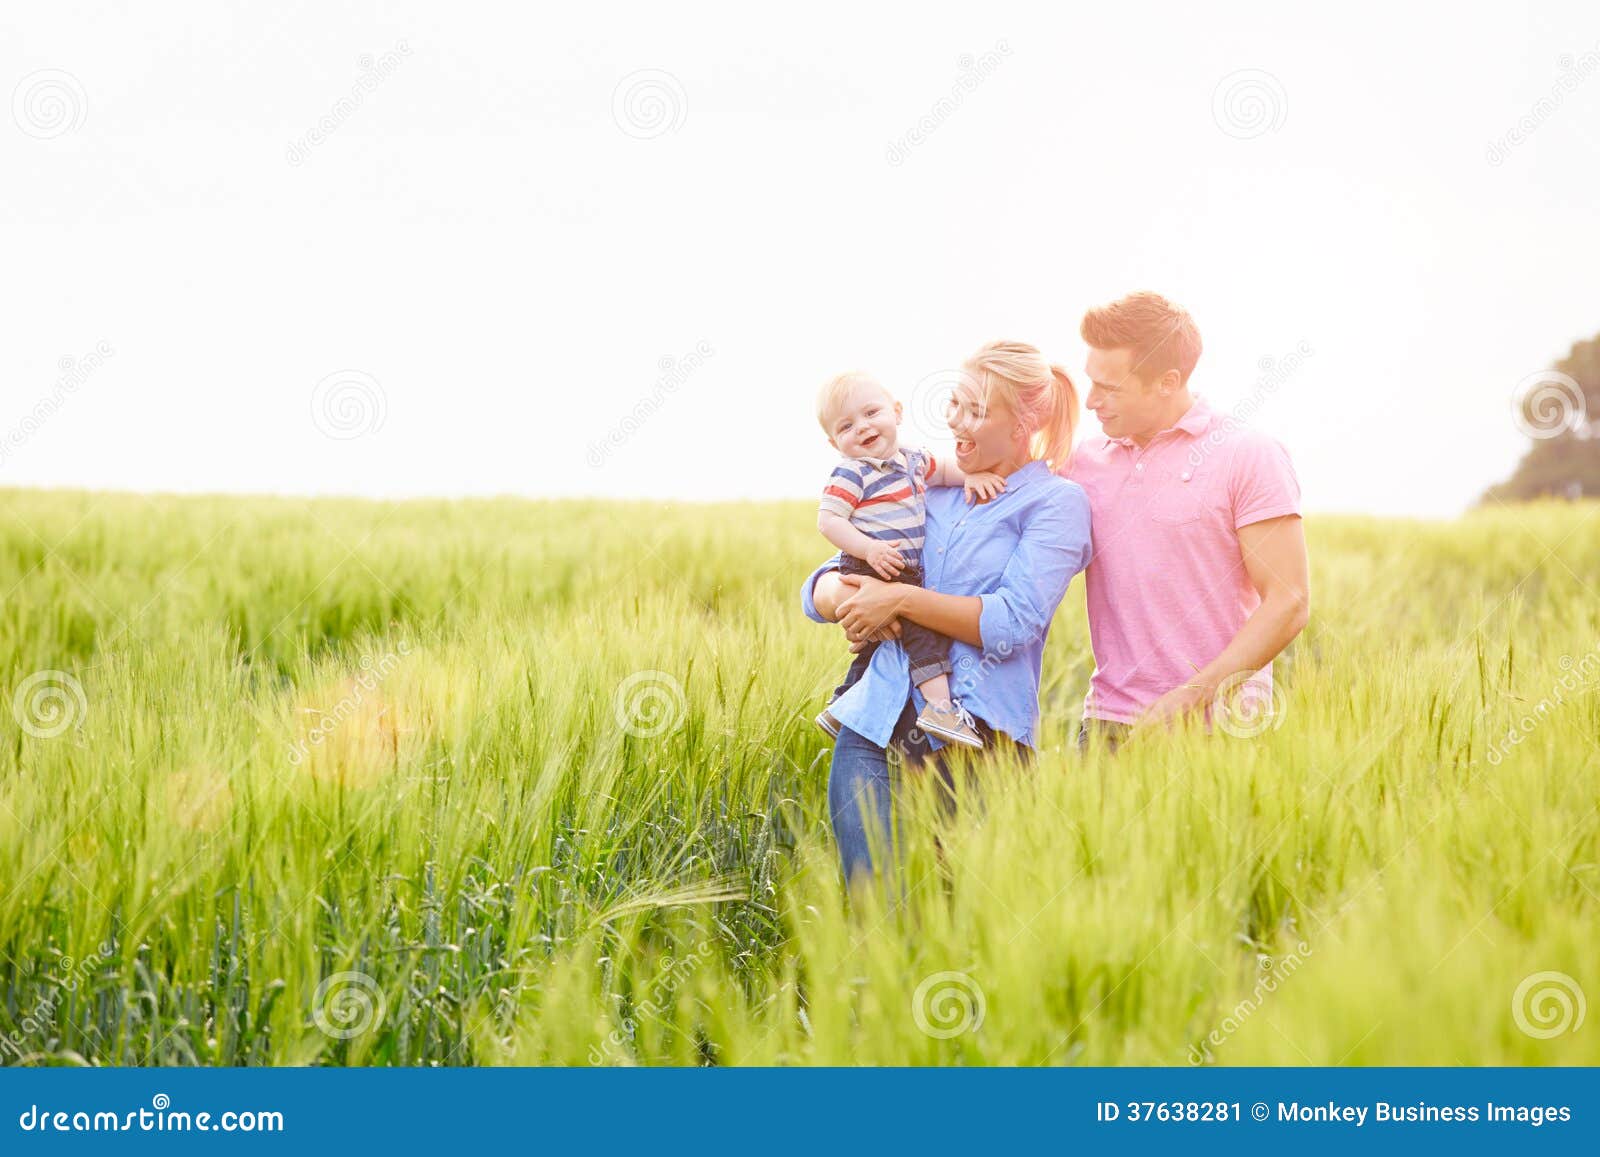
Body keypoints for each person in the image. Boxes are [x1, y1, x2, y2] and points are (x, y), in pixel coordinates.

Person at [802, 342, 1091, 884]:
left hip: (975, 741)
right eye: (954, 404)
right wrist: (847, 600)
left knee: (954, 917)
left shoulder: (1055, 503)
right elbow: (820, 583)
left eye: (976, 412)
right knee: (870, 915)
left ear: (1025, 424)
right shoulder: (927, 490)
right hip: (873, 723)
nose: (955, 421)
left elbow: (1010, 624)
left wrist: (900, 600)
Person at [1065, 292, 1310, 752]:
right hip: (1108, 727)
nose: (1092, 401)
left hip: (1224, 729)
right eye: (1090, 382)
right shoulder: (1083, 462)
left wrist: (1193, 695)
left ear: (1168, 381)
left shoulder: (1248, 455)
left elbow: (1289, 600)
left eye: (1111, 388)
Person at [813, 370, 1006, 749]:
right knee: (922, 633)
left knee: (882, 642)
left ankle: (842, 702)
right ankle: (940, 709)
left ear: (897, 412)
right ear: (834, 441)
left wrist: (972, 476)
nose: (863, 427)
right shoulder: (852, 472)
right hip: (873, 564)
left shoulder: (914, 460)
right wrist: (867, 549)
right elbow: (828, 520)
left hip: (899, 567)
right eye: (847, 425)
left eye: (871, 413)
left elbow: (948, 471)